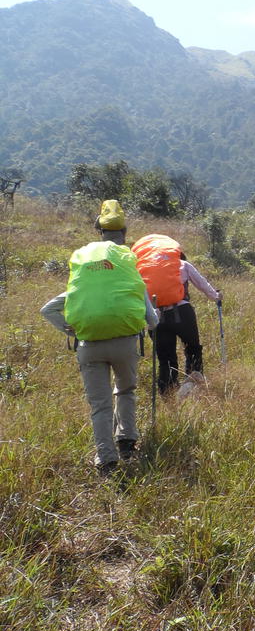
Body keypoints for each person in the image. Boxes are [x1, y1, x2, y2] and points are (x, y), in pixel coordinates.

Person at [40, 202, 159, 475]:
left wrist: (71, 329)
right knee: (126, 391)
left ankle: (106, 460)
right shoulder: (129, 274)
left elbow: (47, 309)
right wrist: (153, 322)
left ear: (98, 232)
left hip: (89, 345)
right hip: (126, 343)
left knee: (100, 405)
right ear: (125, 233)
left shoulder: (84, 273)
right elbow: (152, 320)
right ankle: (127, 442)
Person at [135, 234, 221, 394]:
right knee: (193, 349)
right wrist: (216, 297)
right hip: (183, 312)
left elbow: (138, 295)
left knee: (165, 358)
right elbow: (203, 285)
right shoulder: (183, 264)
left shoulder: (143, 269)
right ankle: (191, 388)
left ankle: (167, 395)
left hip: (156, 316)